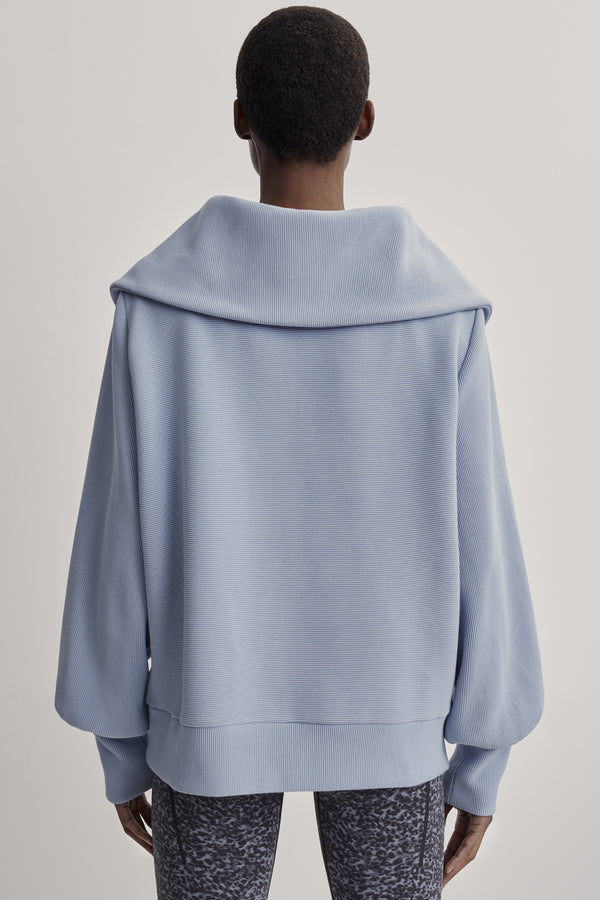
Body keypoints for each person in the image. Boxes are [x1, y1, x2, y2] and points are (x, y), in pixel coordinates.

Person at [54, 6, 544, 898]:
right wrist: (483, 758)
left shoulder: (159, 312)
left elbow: (113, 549)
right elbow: (487, 547)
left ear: (241, 118)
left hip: (207, 715)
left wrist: (120, 744)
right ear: (365, 120)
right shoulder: (440, 316)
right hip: (395, 721)